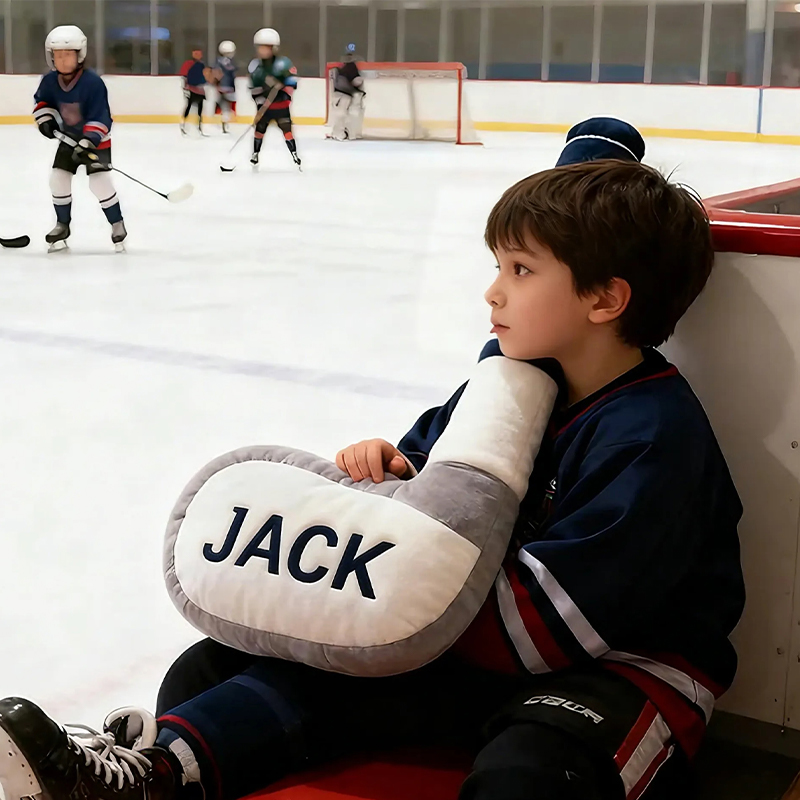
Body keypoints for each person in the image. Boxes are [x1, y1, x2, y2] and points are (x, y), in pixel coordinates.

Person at [0, 120, 744, 800]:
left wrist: (385, 599)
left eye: (520, 270)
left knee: (530, 773)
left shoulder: (652, 436)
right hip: (466, 636)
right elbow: (436, 488)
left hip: (616, 671)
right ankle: (158, 779)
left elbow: (543, 629)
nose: (492, 292)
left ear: (605, 300)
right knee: (208, 671)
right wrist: (393, 477)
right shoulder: (506, 388)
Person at [33, 25, 126, 253]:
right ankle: (62, 225)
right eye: (58, 55)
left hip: (96, 141)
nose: (63, 60)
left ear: (80, 55)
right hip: (68, 139)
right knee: (58, 178)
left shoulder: (93, 83)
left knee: (99, 182)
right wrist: (46, 119)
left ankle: (117, 223)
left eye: (68, 54)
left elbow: (101, 116)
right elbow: (43, 102)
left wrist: (88, 141)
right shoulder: (49, 81)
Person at [248, 28, 300, 169]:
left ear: (273, 48)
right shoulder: (255, 65)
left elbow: (293, 81)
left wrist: (283, 87)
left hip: (281, 105)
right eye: (260, 47)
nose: (262, 50)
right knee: (259, 130)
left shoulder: (284, 63)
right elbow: (253, 87)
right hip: (265, 107)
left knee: (287, 130)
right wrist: (260, 101)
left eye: (265, 47)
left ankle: (295, 155)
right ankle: (255, 154)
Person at [327, 43, 365, 141]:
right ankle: (343, 134)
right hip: (344, 95)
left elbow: (354, 81)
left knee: (341, 114)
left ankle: (340, 133)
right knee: (343, 114)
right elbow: (356, 81)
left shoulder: (344, 68)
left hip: (342, 94)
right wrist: (356, 90)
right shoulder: (350, 68)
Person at [179, 48, 208, 136]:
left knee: (199, 108)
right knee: (189, 106)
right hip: (192, 89)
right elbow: (184, 76)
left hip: (199, 90)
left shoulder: (201, 65)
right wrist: (185, 87)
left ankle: (199, 127)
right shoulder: (188, 64)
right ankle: (184, 124)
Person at [213, 41, 237, 134]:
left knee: (223, 104)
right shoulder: (227, 62)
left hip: (222, 87)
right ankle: (224, 119)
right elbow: (231, 69)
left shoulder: (218, 61)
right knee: (227, 105)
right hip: (227, 87)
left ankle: (223, 118)